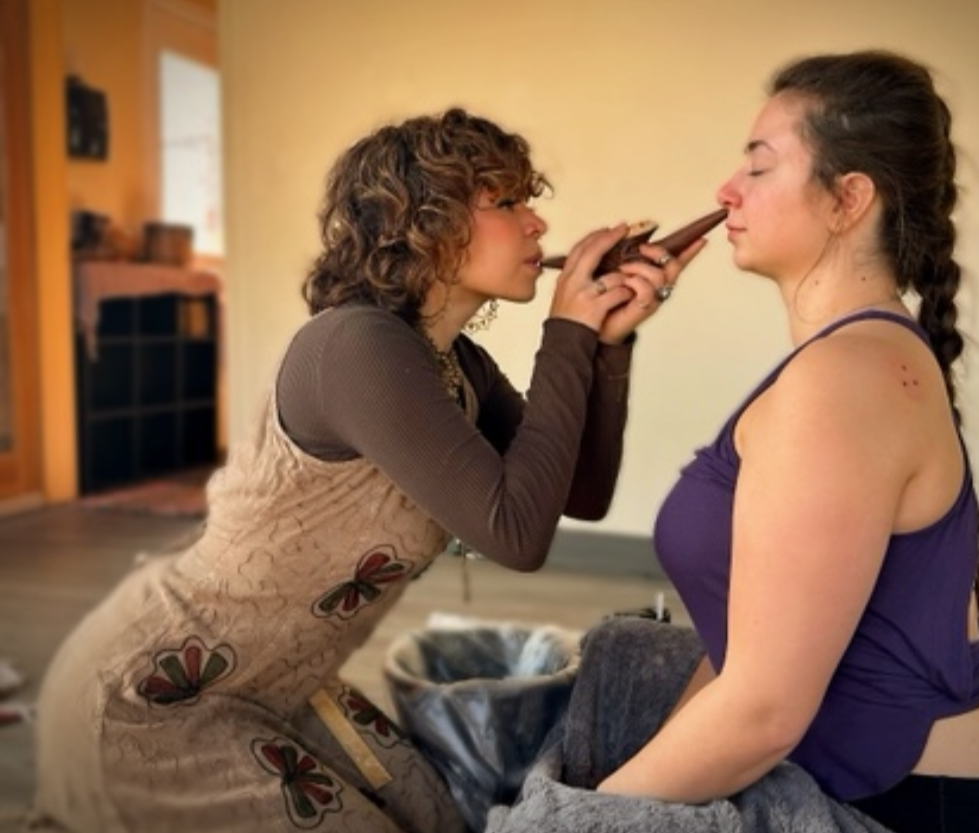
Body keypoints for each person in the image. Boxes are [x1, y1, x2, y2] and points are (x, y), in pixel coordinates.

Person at [29, 108, 704, 833]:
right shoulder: (355, 348)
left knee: (438, 820)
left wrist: (605, 344)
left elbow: (580, 494)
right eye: (506, 203)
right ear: (426, 224)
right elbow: (517, 536)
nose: (538, 224)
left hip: (284, 687)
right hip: (156, 698)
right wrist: (567, 331)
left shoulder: (454, 366)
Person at [594, 51, 979, 833]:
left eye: (760, 167)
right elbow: (747, 655)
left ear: (849, 199)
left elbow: (763, 712)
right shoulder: (848, 362)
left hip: (914, 810)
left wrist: (560, 819)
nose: (725, 191)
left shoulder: (846, 380)